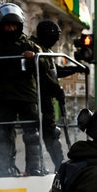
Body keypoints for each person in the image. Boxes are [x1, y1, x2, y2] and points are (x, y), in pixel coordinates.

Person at [0, 3, 47, 176]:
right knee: (2, 133)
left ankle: (34, 167)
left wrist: (34, 58)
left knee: (32, 134)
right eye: (7, 25)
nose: (10, 28)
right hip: (1, 96)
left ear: (20, 25)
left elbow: (44, 66)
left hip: (25, 95)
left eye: (13, 25)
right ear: (0, 25)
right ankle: (4, 167)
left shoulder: (30, 45)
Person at [32, 20, 88, 172]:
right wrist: (57, 91)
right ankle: (36, 167)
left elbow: (55, 71)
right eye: (54, 37)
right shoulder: (35, 49)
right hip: (35, 97)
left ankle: (59, 165)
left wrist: (75, 69)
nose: (56, 41)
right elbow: (43, 75)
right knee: (36, 133)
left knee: (51, 132)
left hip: (45, 97)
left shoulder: (47, 51)